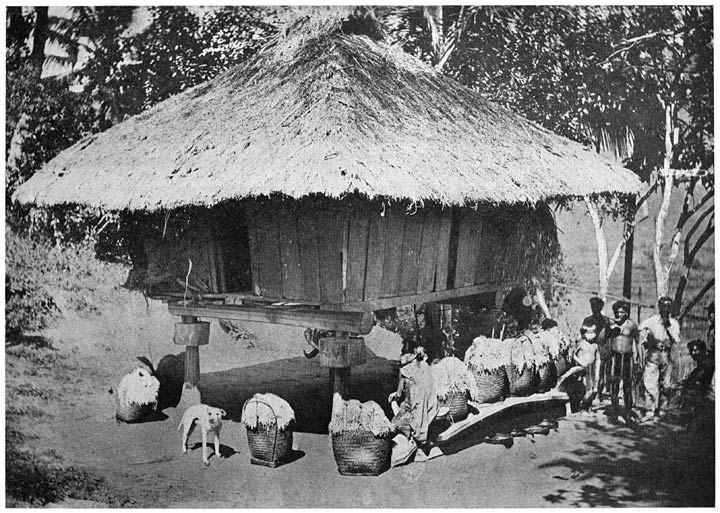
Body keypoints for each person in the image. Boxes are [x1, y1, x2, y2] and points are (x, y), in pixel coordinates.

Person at [389, 340, 441, 461]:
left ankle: (411, 443)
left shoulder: (404, 371)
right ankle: (426, 442)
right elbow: (430, 389)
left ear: (412, 355)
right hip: (430, 407)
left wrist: (393, 396)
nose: (401, 357)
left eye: (403, 354)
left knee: (397, 411)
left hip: (414, 411)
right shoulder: (425, 366)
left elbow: (398, 393)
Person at [638, 296, 682, 422]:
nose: (666, 308)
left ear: (671, 307)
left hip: (666, 355)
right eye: (663, 305)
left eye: (668, 306)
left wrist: (668, 325)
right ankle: (649, 410)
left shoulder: (674, 322)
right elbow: (640, 328)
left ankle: (662, 410)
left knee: (666, 383)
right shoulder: (652, 320)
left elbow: (677, 340)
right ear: (659, 306)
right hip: (653, 354)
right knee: (649, 382)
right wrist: (646, 340)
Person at [606, 300, 640, 423]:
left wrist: (637, 362)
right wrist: (609, 328)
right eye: (617, 312)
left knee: (627, 386)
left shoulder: (632, 325)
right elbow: (603, 339)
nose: (619, 314)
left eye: (621, 312)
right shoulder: (610, 324)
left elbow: (637, 343)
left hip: (627, 357)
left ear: (626, 313)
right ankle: (615, 413)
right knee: (614, 385)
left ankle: (627, 413)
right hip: (615, 358)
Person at [583, 297, 611, 400]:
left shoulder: (606, 321)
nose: (594, 308)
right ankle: (590, 393)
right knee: (589, 372)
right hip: (590, 349)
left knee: (601, 373)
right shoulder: (588, 320)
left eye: (596, 306)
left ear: (601, 307)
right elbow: (583, 333)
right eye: (592, 306)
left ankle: (599, 394)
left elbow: (609, 336)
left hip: (603, 348)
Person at [571, 319, 601, 414]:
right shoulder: (581, 343)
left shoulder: (595, 345)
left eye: (593, 333)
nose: (591, 335)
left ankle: (588, 407)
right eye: (588, 333)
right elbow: (572, 355)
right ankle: (582, 409)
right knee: (583, 389)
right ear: (583, 334)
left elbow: (597, 358)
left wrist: (598, 370)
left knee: (593, 390)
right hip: (581, 369)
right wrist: (579, 362)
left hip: (591, 369)